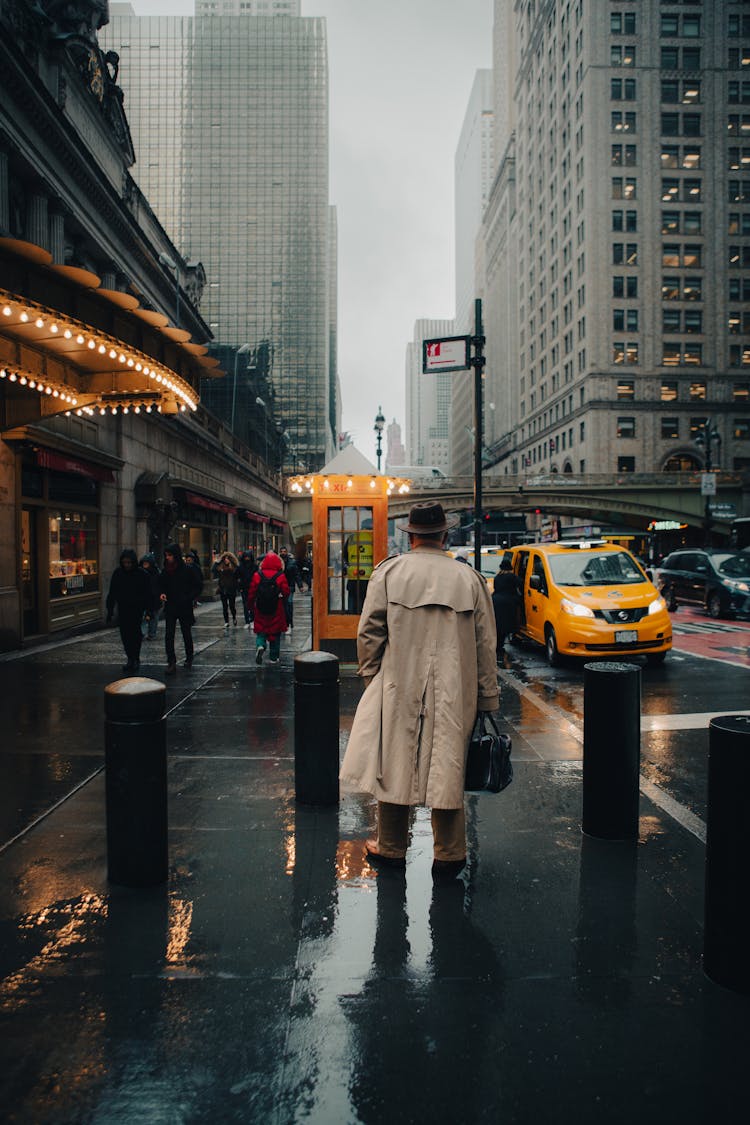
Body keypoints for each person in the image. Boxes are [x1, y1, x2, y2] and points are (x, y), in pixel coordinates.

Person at [339, 500, 499, 878]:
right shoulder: (469, 579)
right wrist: (487, 697)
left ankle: (392, 846)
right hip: (456, 686)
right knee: (449, 762)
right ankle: (450, 852)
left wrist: (372, 677)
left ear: (410, 536)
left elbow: (369, 633)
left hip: (397, 681)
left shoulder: (389, 573)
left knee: (394, 760)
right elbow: (485, 644)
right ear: (445, 535)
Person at [159, 543, 203, 674]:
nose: (168, 558)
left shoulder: (187, 570)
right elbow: (159, 584)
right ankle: (171, 662)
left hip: (184, 606)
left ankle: (189, 657)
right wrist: (161, 593)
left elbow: (198, 586)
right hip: (171, 606)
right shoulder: (166, 570)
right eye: (166, 555)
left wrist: (189, 597)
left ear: (176, 556)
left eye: (170, 555)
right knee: (169, 635)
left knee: (186, 633)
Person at [106, 549, 152, 673]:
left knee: (135, 635)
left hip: (137, 609)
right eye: (125, 562)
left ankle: (135, 658)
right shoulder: (118, 573)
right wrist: (110, 611)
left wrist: (148, 610)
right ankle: (130, 658)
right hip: (123, 608)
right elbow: (112, 593)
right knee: (125, 636)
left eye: (129, 563)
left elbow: (148, 594)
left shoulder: (142, 574)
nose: (127, 565)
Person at [247, 550, 290, 665]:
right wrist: (282, 597)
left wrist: (250, 605)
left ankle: (260, 645)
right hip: (276, 608)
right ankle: (274, 657)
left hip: (260, 607)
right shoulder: (280, 576)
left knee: (261, 630)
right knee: (275, 632)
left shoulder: (257, 575)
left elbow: (251, 592)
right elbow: (286, 592)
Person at [492, 557, 523, 656]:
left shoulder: (497, 577)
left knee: (498, 625)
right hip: (508, 602)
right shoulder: (512, 576)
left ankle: (497, 645)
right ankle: (501, 645)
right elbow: (521, 584)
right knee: (506, 625)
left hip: (496, 602)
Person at [212, 550, 240, 627]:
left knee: (232, 606)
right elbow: (213, 570)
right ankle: (226, 621)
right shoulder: (221, 567)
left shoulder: (234, 568)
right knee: (224, 606)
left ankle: (234, 617)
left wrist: (238, 586)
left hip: (231, 589)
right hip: (223, 589)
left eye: (227, 558)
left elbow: (238, 575)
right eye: (225, 559)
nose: (226, 560)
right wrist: (217, 562)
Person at [139, 552, 161, 641]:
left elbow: (158, 587)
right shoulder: (140, 572)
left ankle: (151, 634)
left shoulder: (156, 573)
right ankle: (142, 634)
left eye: (146, 563)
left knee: (153, 618)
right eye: (144, 563)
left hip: (154, 599)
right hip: (143, 599)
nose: (145, 565)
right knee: (143, 618)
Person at [279, 546, 302, 630]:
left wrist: (300, 585)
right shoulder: (278, 562)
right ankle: (284, 622)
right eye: (281, 551)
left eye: (284, 551)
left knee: (289, 604)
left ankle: (289, 622)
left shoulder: (292, 562)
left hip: (290, 586)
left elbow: (297, 574)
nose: (283, 553)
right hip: (280, 586)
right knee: (282, 605)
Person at [237, 550, 258, 626]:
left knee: (252, 604)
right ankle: (247, 621)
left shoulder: (255, 566)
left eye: (248, 557)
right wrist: (240, 587)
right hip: (244, 588)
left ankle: (252, 620)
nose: (247, 559)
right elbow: (237, 577)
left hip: (253, 588)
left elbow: (257, 577)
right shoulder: (240, 567)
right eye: (246, 557)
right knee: (245, 605)